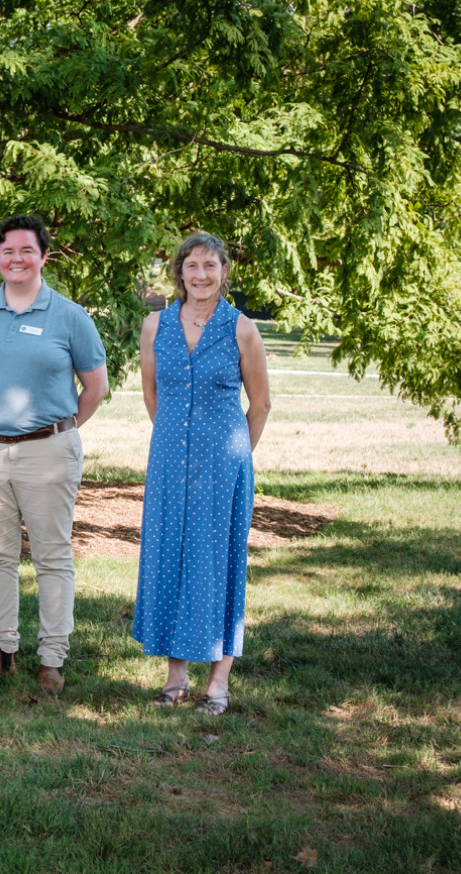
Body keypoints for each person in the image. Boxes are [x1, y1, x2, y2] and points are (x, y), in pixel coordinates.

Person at [0, 214, 109, 694]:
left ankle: (52, 660)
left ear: (43, 256)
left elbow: (95, 386)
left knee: (52, 555)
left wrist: (57, 430)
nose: (16, 259)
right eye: (8, 251)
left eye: (26, 251)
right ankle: (2, 654)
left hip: (49, 450)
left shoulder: (69, 316)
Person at [133, 233, 271, 715]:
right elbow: (153, 395)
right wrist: (178, 445)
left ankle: (218, 682)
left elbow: (260, 405)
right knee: (171, 560)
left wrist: (233, 458)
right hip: (170, 462)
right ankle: (175, 678)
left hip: (223, 465)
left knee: (218, 563)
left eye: (210, 265)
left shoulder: (242, 329)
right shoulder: (156, 325)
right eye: (192, 265)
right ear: (180, 273)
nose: (200, 274)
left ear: (224, 271)